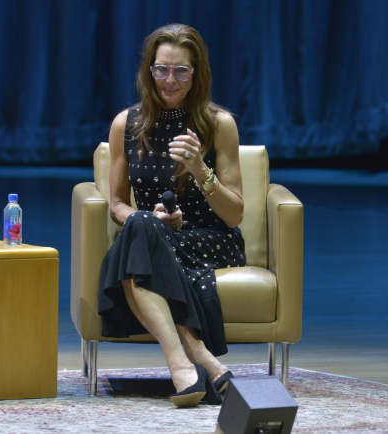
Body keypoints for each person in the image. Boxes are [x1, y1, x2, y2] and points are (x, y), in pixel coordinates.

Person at [98, 23, 245, 408]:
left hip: (209, 241)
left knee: (133, 252)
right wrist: (149, 220)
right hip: (152, 238)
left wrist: (201, 171)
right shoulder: (126, 124)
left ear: (197, 73)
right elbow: (116, 204)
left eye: (181, 70)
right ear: (149, 70)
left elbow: (234, 216)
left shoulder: (218, 124)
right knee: (140, 227)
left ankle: (187, 366)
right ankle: (203, 364)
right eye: (161, 69)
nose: (170, 79)